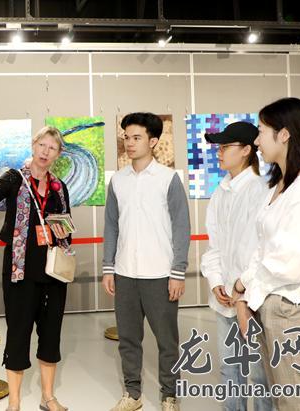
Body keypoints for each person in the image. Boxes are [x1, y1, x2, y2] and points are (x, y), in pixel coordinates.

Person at [232, 97, 300, 411]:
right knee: (281, 397)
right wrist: (246, 295)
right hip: (270, 301)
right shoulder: (280, 185)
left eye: (261, 131)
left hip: (292, 307)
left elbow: (290, 262)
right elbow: (262, 247)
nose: (256, 140)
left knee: (294, 400)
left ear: (284, 134)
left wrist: (243, 284)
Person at [0, 126, 72, 411]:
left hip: (53, 273)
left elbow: (67, 226)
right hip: (20, 271)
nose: (45, 152)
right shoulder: (15, 178)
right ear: (34, 145)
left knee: (50, 335)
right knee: (18, 334)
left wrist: (61, 231)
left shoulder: (59, 187)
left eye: (52, 148)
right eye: (42, 145)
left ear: (58, 154)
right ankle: (14, 402)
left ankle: (48, 397)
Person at [103, 112, 191, 411]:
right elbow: (111, 226)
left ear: (153, 142)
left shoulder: (168, 179)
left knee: (167, 341)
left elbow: (181, 226)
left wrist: (178, 271)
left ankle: (169, 395)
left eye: (136, 137)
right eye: (126, 137)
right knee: (128, 339)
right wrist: (108, 267)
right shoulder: (118, 181)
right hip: (125, 273)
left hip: (161, 274)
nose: (129, 143)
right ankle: (133, 394)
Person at [200, 121, 274, 411]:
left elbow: (261, 250)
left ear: (246, 150)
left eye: (226, 147)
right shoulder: (220, 193)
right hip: (225, 300)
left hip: (253, 299)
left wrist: (242, 289)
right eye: (218, 147)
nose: (219, 153)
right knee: (230, 369)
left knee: (260, 373)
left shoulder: (261, 190)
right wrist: (216, 281)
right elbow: (214, 245)